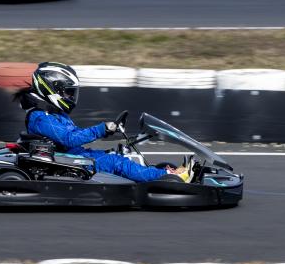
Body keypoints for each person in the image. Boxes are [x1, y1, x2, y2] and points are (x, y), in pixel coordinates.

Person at [18, 62, 194, 183]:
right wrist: (102, 129)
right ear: (51, 88)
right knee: (116, 163)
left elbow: (72, 136)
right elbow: (69, 139)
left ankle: (159, 173)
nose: (71, 97)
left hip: (74, 155)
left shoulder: (53, 113)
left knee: (116, 156)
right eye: (68, 93)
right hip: (69, 160)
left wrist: (106, 131)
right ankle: (168, 175)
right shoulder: (41, 117)